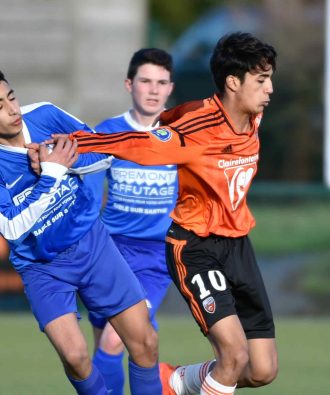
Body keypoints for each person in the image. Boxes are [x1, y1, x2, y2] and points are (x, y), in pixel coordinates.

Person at [63, 31, 279, 395]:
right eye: (261, 80)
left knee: (262, 370)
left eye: (269, 78)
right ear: (232, 82)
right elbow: (142, 145)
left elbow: (173, 115)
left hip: (238, 247)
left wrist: (168, 117)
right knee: (233, 357)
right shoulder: (198, 129)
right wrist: (76, 143)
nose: (270, 88)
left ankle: (172, 380)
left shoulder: (252, 118)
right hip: (195, 248)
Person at [0, 70, 162, 394]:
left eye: (11, 97)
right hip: (42, 267)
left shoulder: (45, 115)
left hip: (92, 242)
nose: (12, 109)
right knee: (75, 357)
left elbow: (103, 152)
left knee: (144, 341)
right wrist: (51, 174)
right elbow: (11, 227)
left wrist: (66, 162)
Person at [83, 47, 177, 395]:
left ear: (170, 87)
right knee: (102, 346)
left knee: (114, 340)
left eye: (161, 82)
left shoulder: (182, 135)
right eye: (145, 81)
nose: (153, 89)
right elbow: (89, 197)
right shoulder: (108, 133)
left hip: (155, 259)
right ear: (129, 84)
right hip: (107, 253)